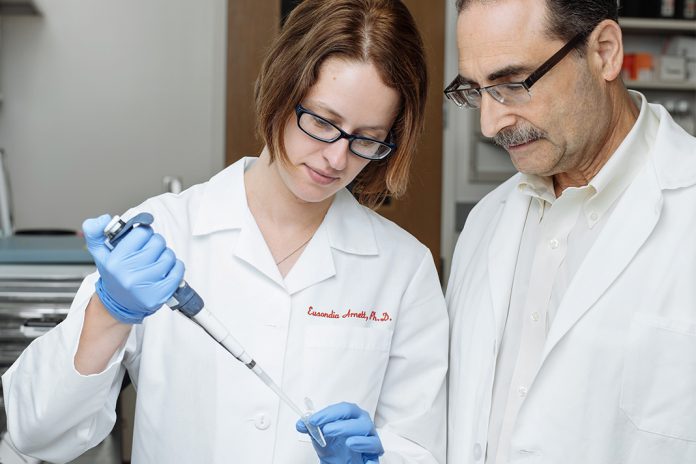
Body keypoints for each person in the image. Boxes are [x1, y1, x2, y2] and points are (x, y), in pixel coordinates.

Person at [2, 1, 449, 463]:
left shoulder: (404, 269)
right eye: (321, 122)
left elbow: (419, 446)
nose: (337, 159)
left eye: (367, 138)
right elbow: (34, 431)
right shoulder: (169, 231)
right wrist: (108, 313)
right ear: (279, 88)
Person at [444, 0, 696, 463]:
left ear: (603, 51)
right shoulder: (485, 222)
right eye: (476, 91)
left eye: (514, 84)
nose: (489, 123)